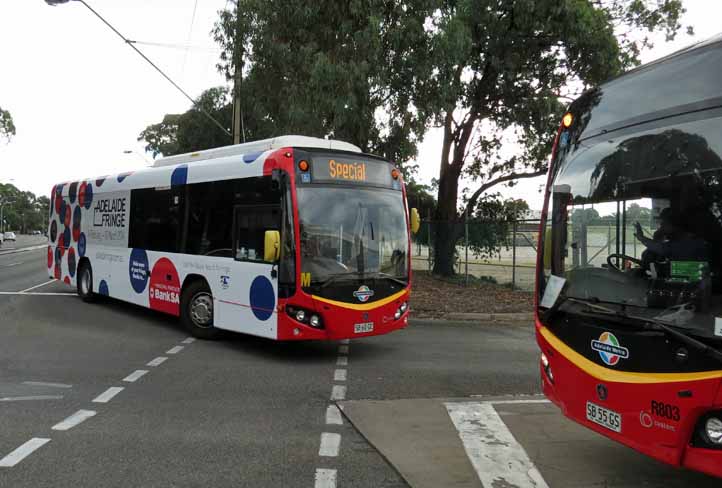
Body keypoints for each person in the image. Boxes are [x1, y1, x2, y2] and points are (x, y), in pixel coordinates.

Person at [634, 208, 708, 269]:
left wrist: (641, 238)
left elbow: (663, 249)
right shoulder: (678, 241)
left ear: (675, 225)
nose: (661, 228)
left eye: (664, 224)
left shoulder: (691, 243)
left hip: (693, 285)